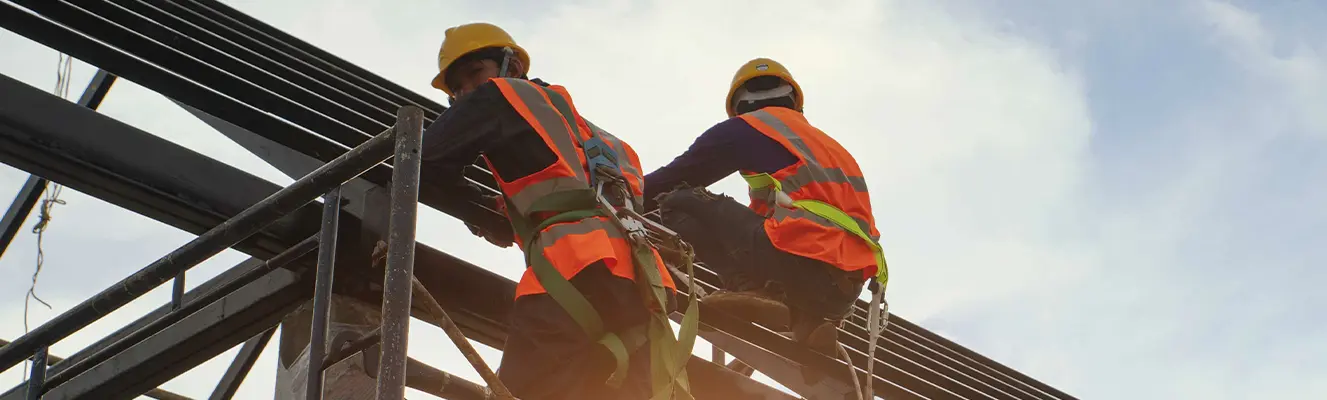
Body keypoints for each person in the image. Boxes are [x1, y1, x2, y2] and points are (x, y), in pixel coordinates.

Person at [417, 22, 688, 399]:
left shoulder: (499, 96)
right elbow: (569, 189)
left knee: (518, 392)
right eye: (456, 87)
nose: (465, 92)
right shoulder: (609, 143)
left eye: (474, 73)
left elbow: (421, 161)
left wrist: (476, 212)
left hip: (572, 269)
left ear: (511, 67)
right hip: (642, 288)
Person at [644, 58, 884, 355]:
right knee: (784, 240)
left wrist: (615, 194)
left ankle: (745, 286)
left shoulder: (745, 129)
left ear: (738, 105)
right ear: (794, 101)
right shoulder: (825, 145)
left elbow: (675, 177)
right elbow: (763, 221)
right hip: (843, 289)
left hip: (800, 259)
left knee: (678, 200)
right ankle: (806, 321)